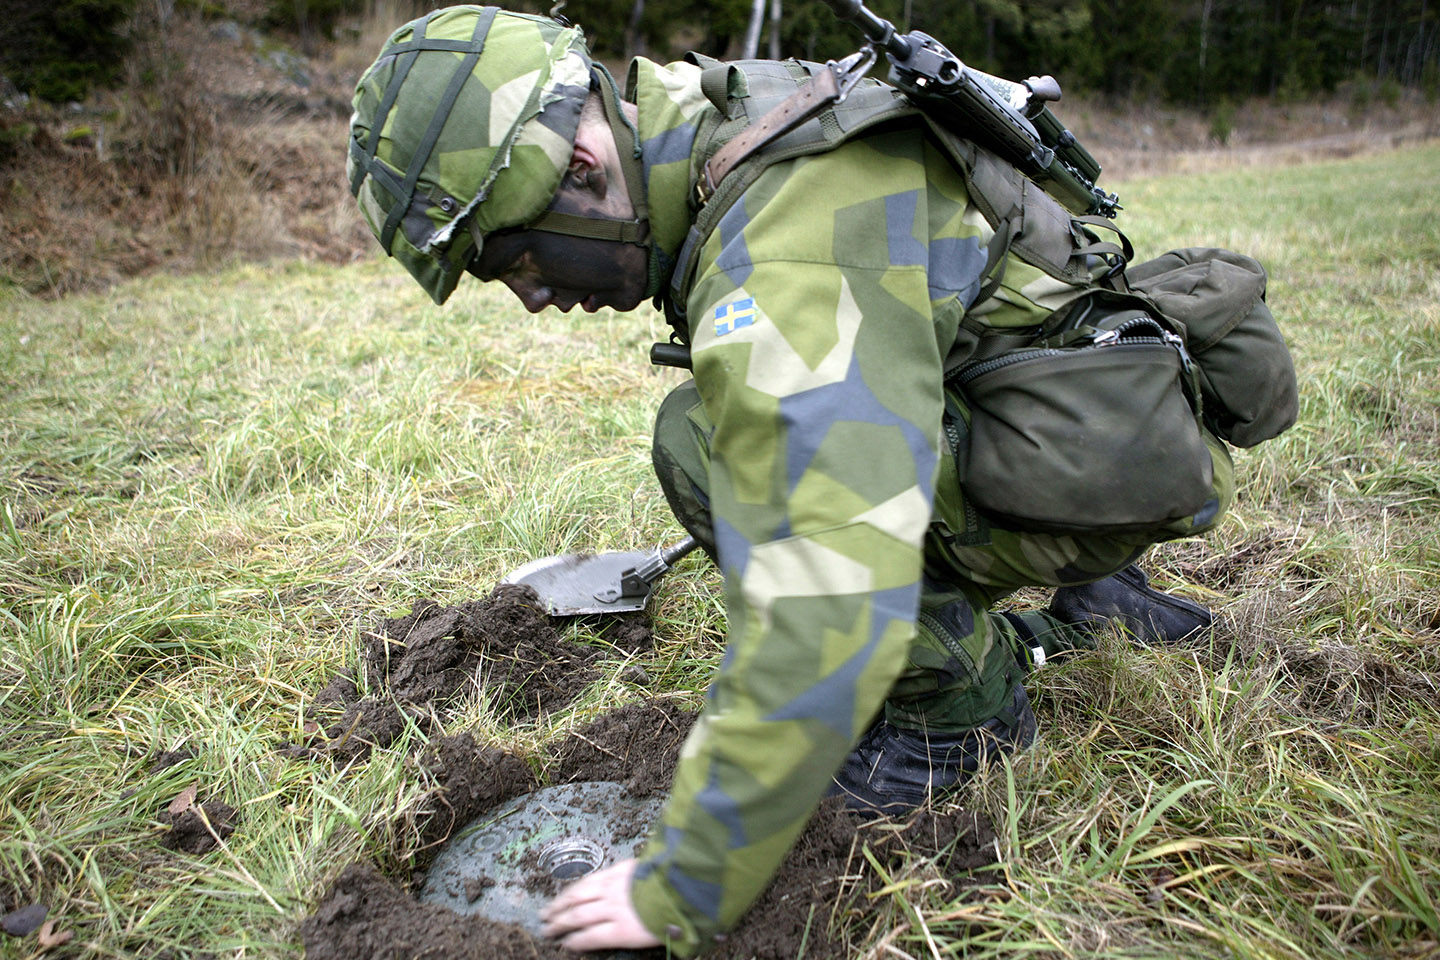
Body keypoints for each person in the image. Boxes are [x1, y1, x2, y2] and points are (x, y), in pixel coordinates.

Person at [346, 6, 1234, 954]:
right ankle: (1100, 593)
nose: (529, 296)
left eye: (511, 255)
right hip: (1091, 400)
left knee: (703, 443)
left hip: (1108, 449)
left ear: (580, 166)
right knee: (735, 423)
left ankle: (958, 717)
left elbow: (829, 593)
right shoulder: (718, 115)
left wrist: (683, 885)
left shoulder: (785, 255)